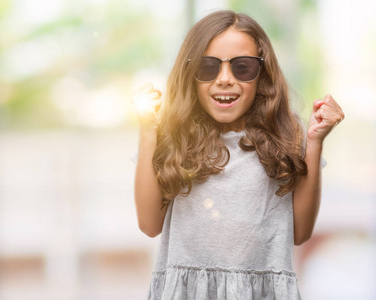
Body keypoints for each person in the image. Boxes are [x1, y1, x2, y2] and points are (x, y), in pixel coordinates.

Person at [130, 10, 344, 300]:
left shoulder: (287, 135)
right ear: (190, 74)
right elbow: (149, 225)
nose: (225, 79)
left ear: (262, 74)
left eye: (242, 67)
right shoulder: (171, 137)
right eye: (209, 67)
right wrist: (147, 132)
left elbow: (300, 232)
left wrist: (315, 142)